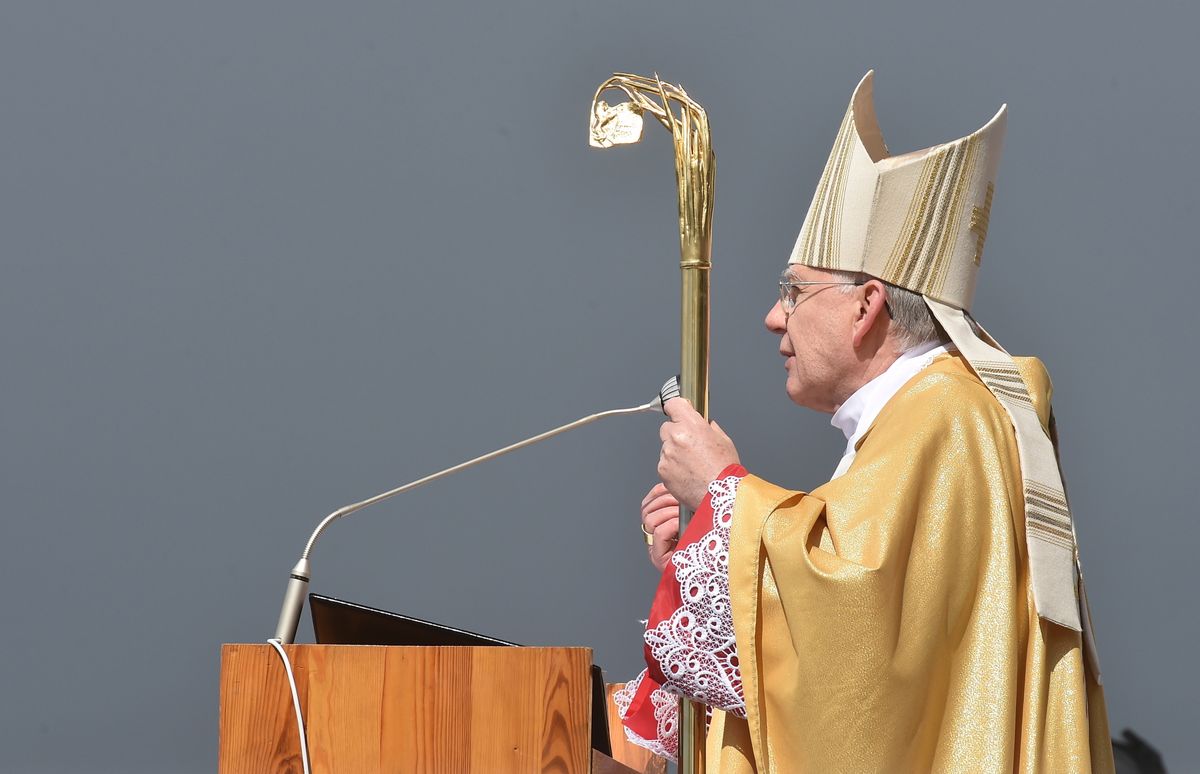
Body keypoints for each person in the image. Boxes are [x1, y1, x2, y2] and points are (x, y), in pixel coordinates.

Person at [615, 72, 1113, 773]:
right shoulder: (924, 418)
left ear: (866, 305)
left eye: (794, 291)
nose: (773, 317)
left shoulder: (949, 414)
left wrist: (723, 496)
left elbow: (858, 654)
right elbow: (866, 630)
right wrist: (708, 559)